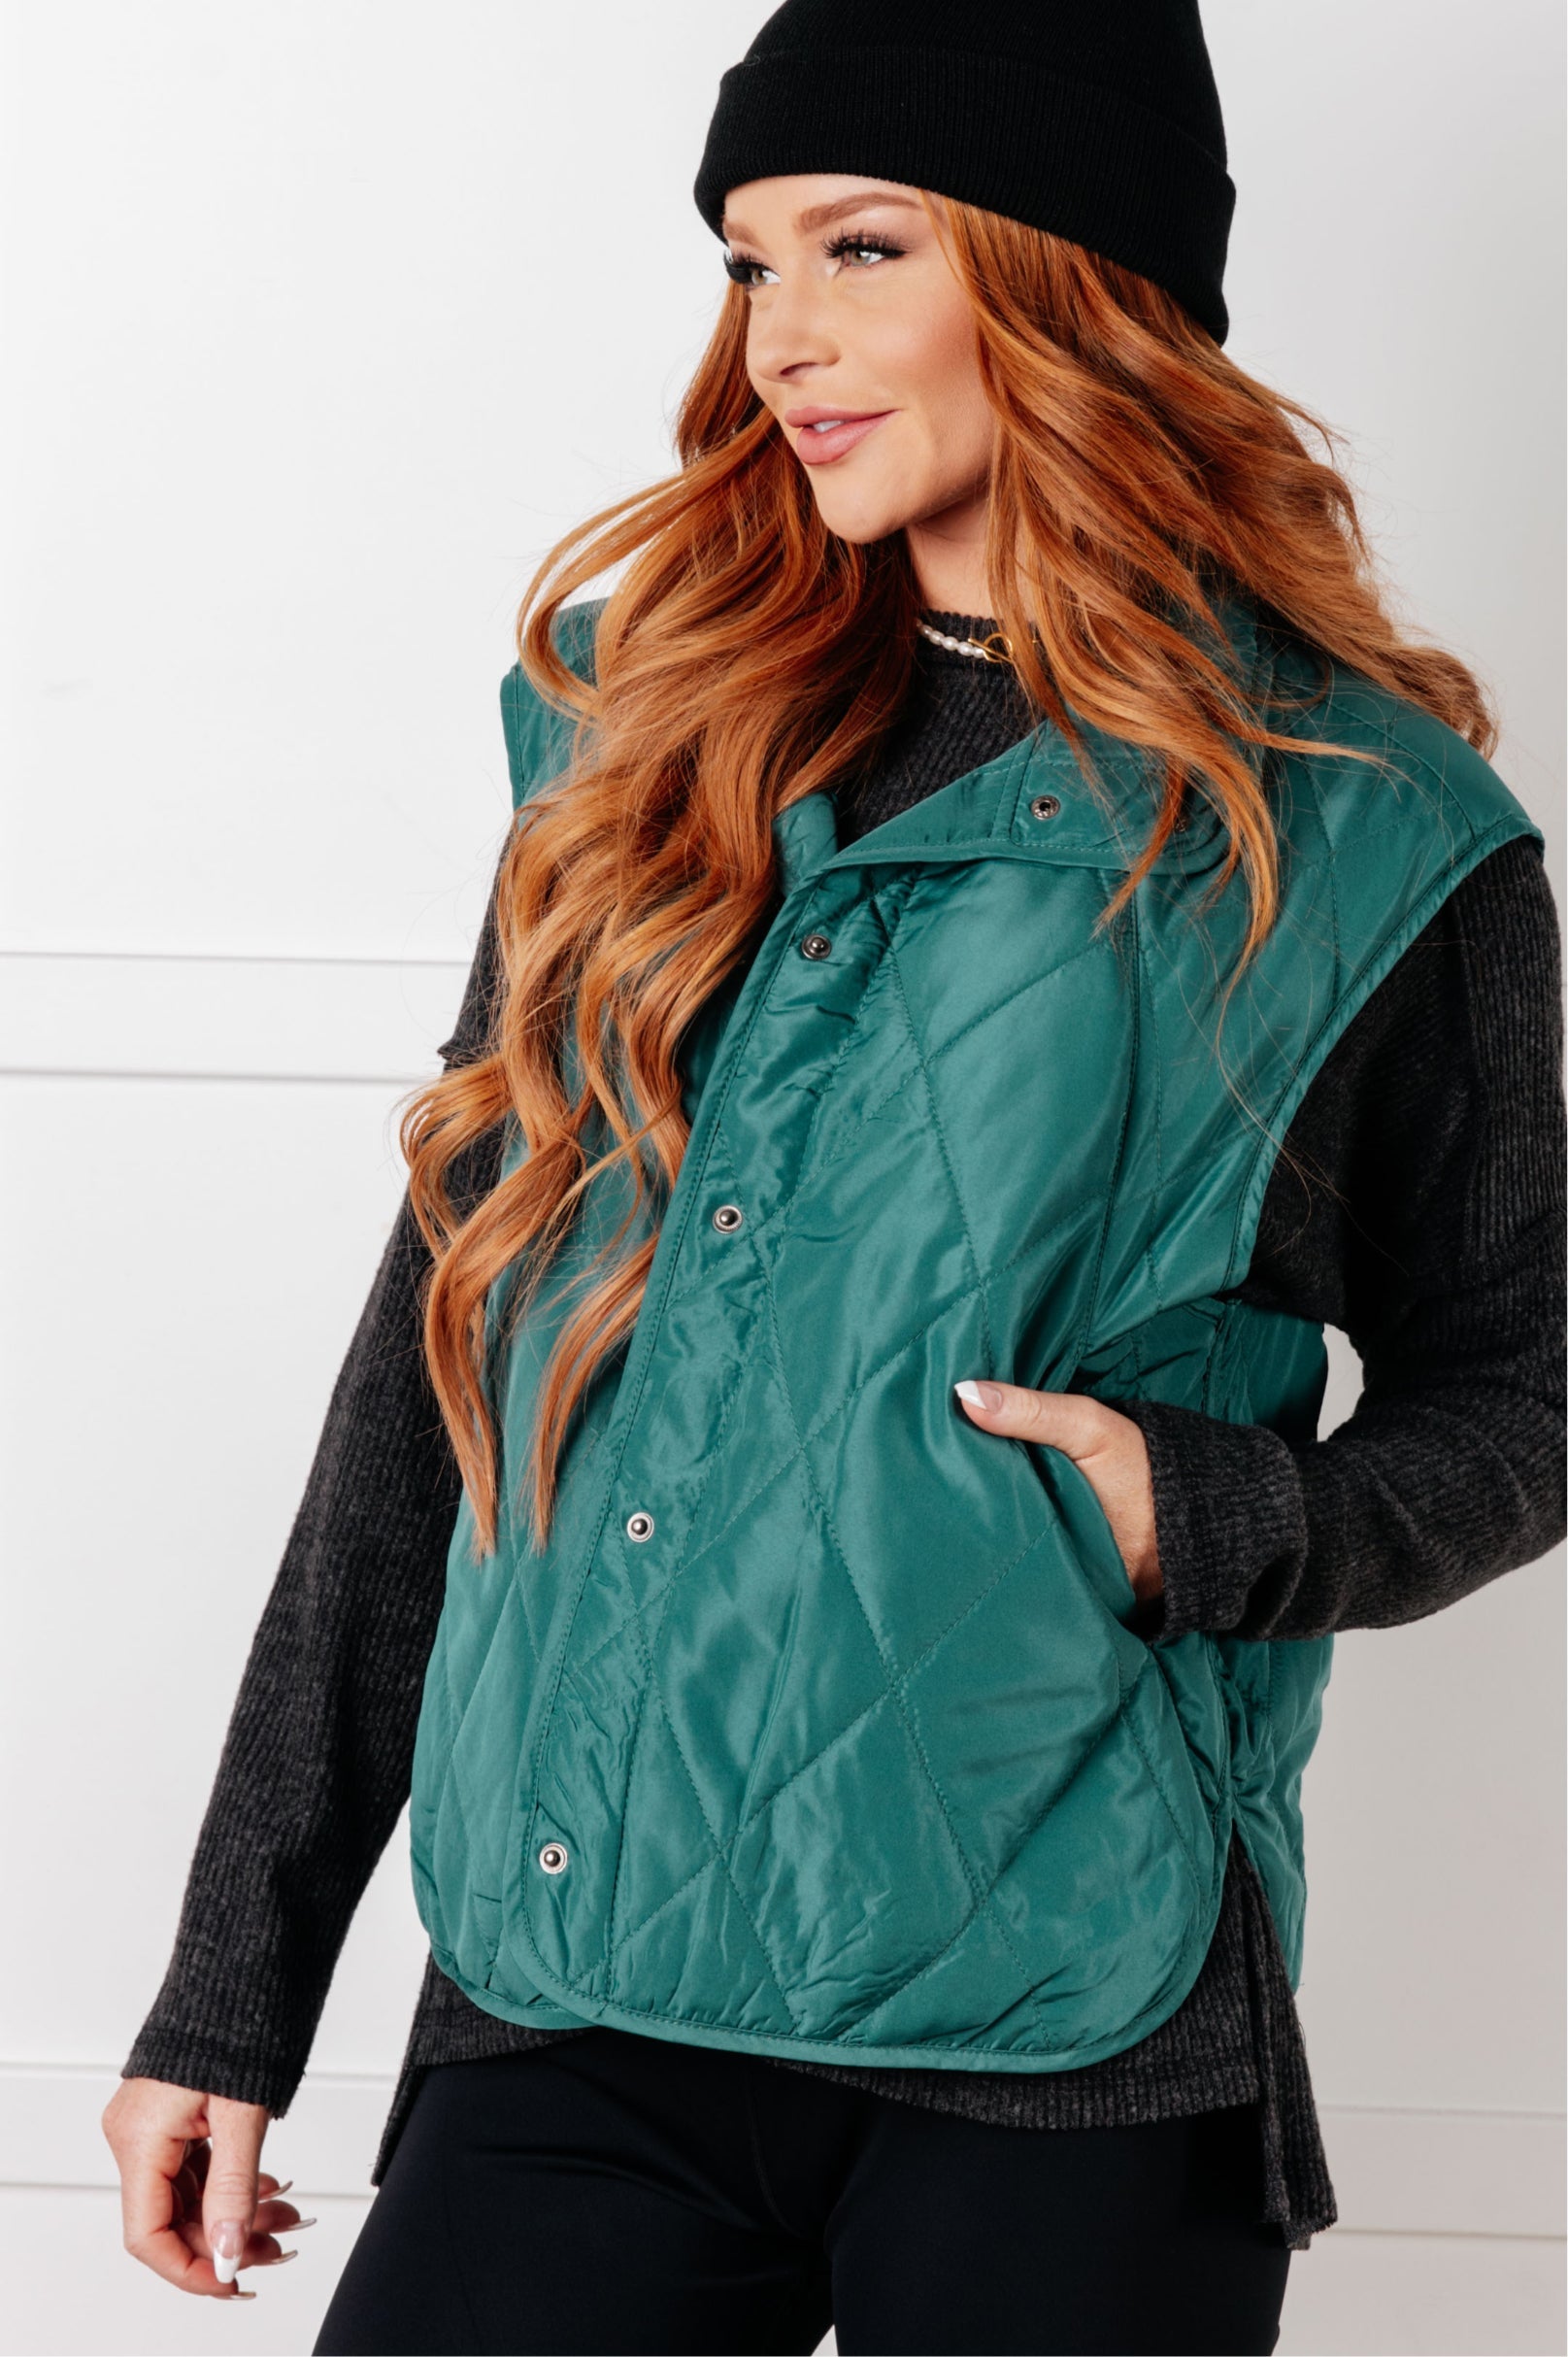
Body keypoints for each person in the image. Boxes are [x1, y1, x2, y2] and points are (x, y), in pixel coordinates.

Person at [101, 4, 1566, 2352]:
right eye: (746, 260)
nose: (779, 335)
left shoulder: (1363, 834)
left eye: (860, 247)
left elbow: (1528, 1389)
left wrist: (1217, 1514)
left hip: (1066, 2023)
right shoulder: (642, 740)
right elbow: (445, 1354)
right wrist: (231, 1977)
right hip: (574, 1983)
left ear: (1075, 278)